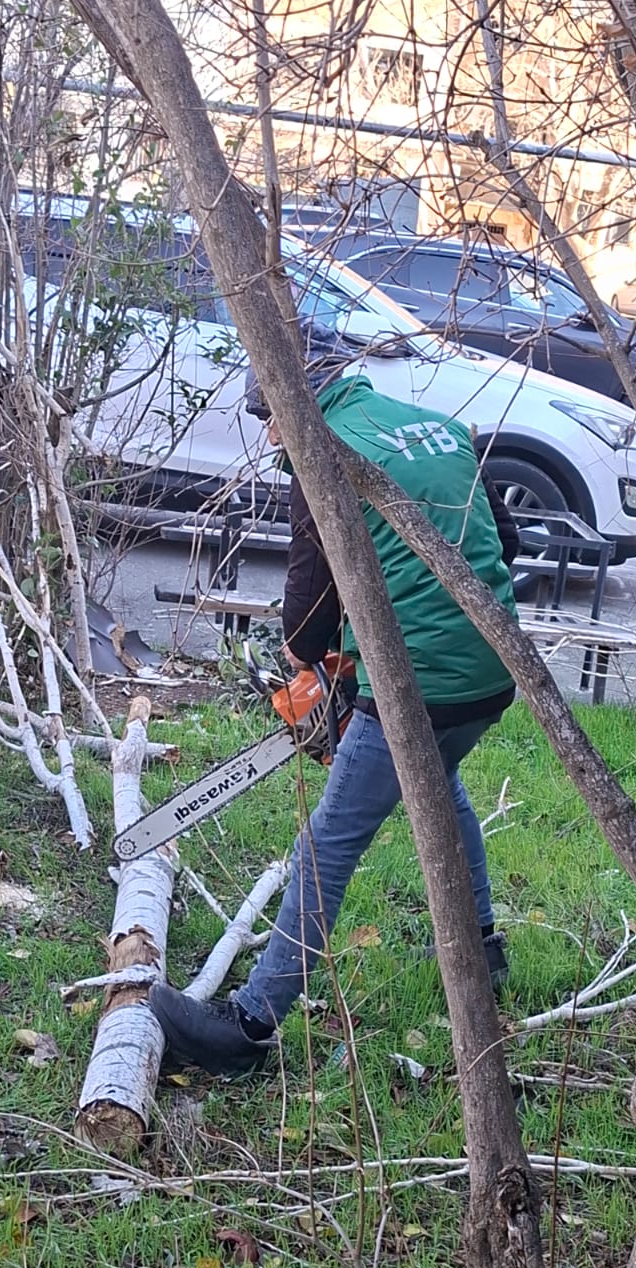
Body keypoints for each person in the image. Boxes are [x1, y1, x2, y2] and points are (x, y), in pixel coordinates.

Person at [148, 324, 520, 1078]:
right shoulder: (436, 428)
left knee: (327, 844)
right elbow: (499, 541)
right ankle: (482, 950)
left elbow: (306, 617)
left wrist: (314, 663)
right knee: (442, 790)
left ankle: (249, 1026)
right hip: (491, 669)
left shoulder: (323, 455)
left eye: (268, 418)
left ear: (290, 404)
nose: (270, 433)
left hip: (421, 685)